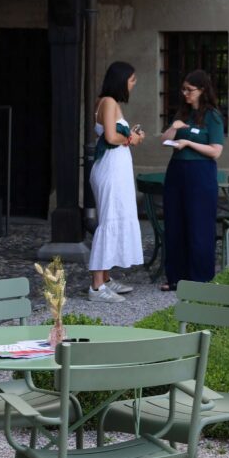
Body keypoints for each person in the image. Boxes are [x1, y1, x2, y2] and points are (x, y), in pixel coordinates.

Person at [160, 69, 224, 291]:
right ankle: (176, 277)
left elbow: (215, 151)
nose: (185, 93)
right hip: (177, 171)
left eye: (190, 89)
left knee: (199, 225)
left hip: (200, 173)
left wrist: (188, 143)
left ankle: (200, 278)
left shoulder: (213, 116)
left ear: (202, 90)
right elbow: (164, 140)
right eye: (183, 89)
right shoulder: (182, 113)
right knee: (175, 223)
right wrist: (173, 128)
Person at [89, 61, 145, 302]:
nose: (133, 84)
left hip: (114, 167)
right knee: (109, 220)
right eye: (131, 80)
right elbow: (111, 137)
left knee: (114, 217)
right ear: (121, 80)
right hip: (111, 168)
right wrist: (132, 138)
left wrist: (129, 136)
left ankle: (106, 277)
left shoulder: (105, 102)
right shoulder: (109, 102)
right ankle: (96, 286)